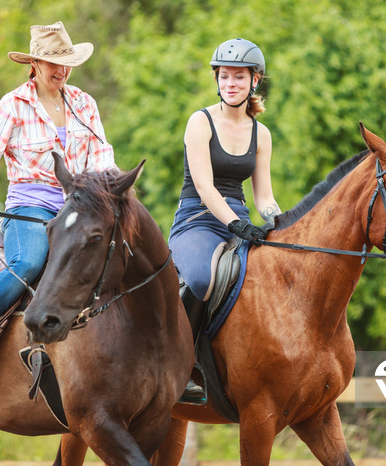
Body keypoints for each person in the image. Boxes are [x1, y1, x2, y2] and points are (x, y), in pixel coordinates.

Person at [0, 21, 116, 385]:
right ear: (34, 64)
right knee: (29, 261)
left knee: (117, 259)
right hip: (30, 207)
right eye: (54, 64)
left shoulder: (84, 103)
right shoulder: (14, 104)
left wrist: (115, 191)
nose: (62, 70)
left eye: (67, 62)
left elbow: (102, 158)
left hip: (77, 209)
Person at [168, 38, 281, 401]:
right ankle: (180, 364)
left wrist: (277, 220)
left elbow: (263, 195)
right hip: (197, 219)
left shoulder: (260, 133)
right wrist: (236, 225)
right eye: (225, 76)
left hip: (240, 220)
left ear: (255, 82)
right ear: (217, 79)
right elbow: (204, 187)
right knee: (203, 278)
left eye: (239, 77)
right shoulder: (199, 122)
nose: (230, 84)